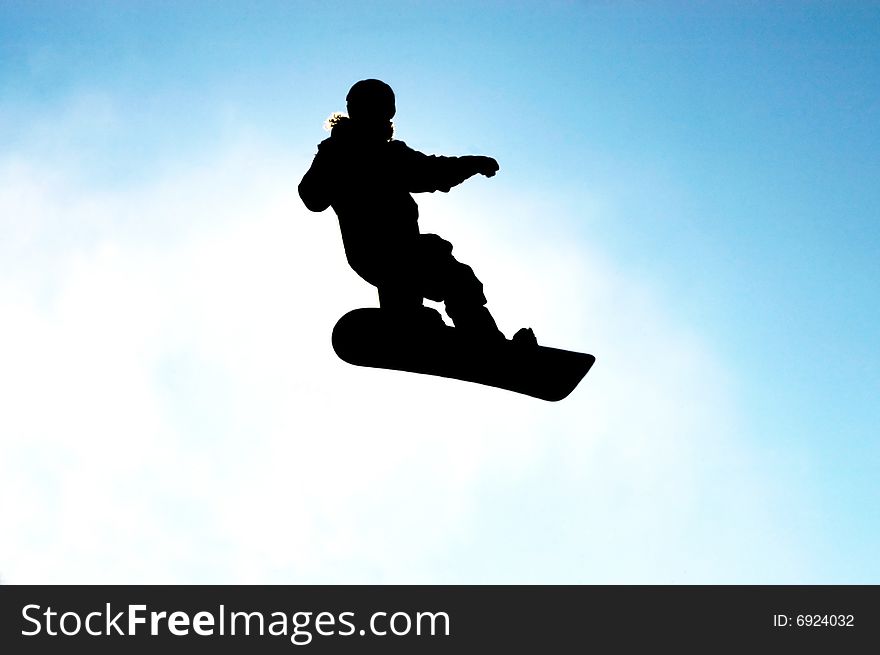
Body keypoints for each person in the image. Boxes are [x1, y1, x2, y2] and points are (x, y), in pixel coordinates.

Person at [299, 79, 535, 345]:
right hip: (385, 251)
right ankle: (482, 341)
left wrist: (471, 164)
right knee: (449, 274)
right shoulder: (343, 152)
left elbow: (432, 172)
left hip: (389, 253)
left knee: (439, 278)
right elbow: (312, 196)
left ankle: (412, 321)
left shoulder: (389, 154)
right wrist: (334, 167)